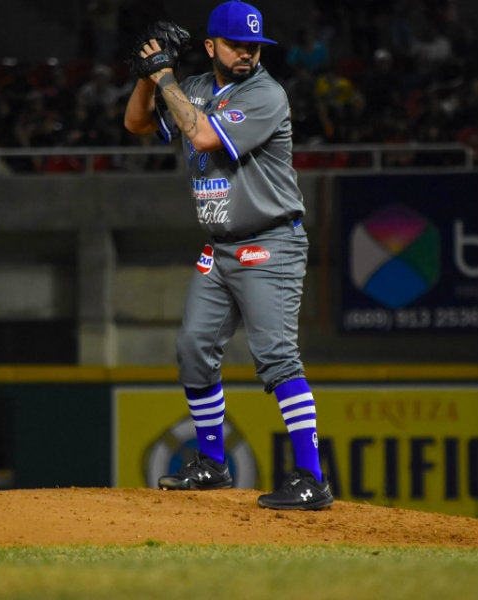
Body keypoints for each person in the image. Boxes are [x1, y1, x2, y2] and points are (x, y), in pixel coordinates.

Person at [124, 0, 333, 511]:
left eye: (255, 46)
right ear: (212, 46)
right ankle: (212, 464)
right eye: (238, 45)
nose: (248, 54)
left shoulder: (265, 93)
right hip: (219, 248)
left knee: (277, 358)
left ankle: (311, 478)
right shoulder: (194, 87)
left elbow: (200, 133)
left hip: (271, 242)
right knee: (194, 347)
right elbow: (135, 124)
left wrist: (166, 77)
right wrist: (150, 77)